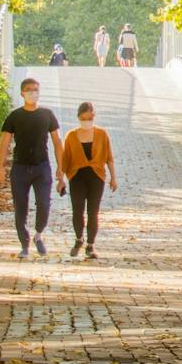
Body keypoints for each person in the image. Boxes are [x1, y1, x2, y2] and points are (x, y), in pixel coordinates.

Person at [0, 78, 65, 259]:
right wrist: (0, 168)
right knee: (21, 207)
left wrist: (61, 168)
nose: (32, 93)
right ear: (22, 93)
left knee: (44, 203)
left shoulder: (47, 115)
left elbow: (57, 142)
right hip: (20, 168)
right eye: (29, 90)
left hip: (42, 167)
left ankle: (38, 234)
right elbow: (4, 143)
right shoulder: (14, 116)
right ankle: (24, 244)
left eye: (35, 90)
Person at [61, 101, 117, 259]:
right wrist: (60, 179)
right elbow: (65, 160)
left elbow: (109, 158)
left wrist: (113, 178)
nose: (88, 121)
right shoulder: (71, 136)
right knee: (77, 211)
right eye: (84, 118)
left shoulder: (101, 134)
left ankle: (90, 245)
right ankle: (79, 239)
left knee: (93, 212)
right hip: (77, 177)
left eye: (90, 117)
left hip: (96, 177)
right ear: (79, 117)